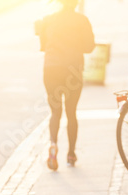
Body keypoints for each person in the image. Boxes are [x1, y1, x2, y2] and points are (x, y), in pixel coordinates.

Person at [35, 0, 95, 170]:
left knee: (55, 111)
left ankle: (53, 145)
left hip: (51, 69)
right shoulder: (82, 20)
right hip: (72, 71)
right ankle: (71, 153)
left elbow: (43, 46)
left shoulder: (48, 19)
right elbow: (90, 47)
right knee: (71, 113)